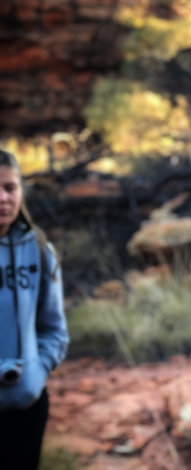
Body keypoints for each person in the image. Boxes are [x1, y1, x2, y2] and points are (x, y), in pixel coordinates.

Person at [0, 149, 70, 470]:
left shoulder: (41, 251)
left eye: (10, 188)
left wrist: (35, 373)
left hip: (26, 408)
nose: (3, 198)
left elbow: (54, 329)